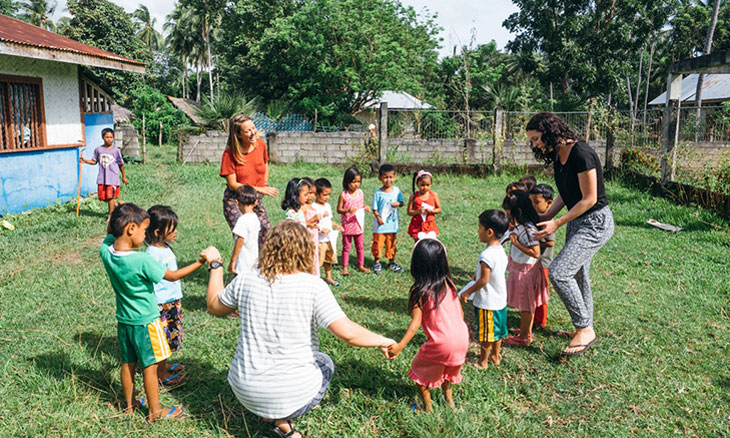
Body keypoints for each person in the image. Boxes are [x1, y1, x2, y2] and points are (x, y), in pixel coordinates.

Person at [200, 221, 396, 438]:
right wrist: (383, 340)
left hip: (244, 391)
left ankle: (275, 418)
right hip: (290, 393)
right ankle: (284, 419)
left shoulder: (246, 278)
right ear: (305, 251)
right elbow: (347, 333)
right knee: (325, 362)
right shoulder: (313, 286)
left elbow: (214, 306)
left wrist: (216, 265)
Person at [526, 112, 614, 357]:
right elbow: (567, 192)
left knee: (559, 272)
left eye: (536, 139)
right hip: (577, 222)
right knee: (577, 274)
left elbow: (589, 198)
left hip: (595, 223)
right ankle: (585, 328)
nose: (535, 145)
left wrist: (558, 223)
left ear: (549, 131)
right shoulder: (558, 156)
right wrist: (547, 217)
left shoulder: (581, 154)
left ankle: (584, 328)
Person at [99, 203, 186, 422]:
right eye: (143, 230)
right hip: (147, 321)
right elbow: (173, 277)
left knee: (127, 364)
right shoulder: (142, 260)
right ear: (130, 229)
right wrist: (203, 262)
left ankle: (129, 406)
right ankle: (155, 412)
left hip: (124, 321)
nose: (145, 235)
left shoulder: (106, 253)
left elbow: (110, 233)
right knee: (150, 365)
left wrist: (116, 214)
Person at [387, 239, 469, 413]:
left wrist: (400, 346)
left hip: (441, 344)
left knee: (419, 372)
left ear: (417, 264)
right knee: (447, 372)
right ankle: (450, 403)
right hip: (462, 339)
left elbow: (415, 323)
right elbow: (460, 314)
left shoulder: (420, 291)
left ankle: (428, 408)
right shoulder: (450, 284)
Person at [145, 205, 207, 386]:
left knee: (169, 337)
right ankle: (161, 374)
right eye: (172, 229)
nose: (175, 232)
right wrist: (200, 262)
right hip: (161, 304)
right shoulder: (152, 254)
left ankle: (164, 366)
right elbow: (173, 275)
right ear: (158, 231)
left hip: (171, 301)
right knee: (162, 340)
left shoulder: (163, 247)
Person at [459, 210, 510, 369]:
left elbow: (484, 280)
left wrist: (467, 291)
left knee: (486, 334)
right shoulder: (500, 249)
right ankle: (495, 356)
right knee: (499, 331)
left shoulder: (486, 255)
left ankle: (483, 361)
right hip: (500, 299)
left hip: (488, 302)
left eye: (480, 227)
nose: (478, 231)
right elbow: (490, 272)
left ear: (489, 232)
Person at [220, 114, 278, 248]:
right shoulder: (230, 154)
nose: (253, 133)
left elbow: (265, 163)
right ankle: (240, 267)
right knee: (245, 235)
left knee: (265, 230)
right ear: (238, 135)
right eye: (248, 131)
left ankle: (262, 266)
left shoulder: (261, 145)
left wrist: (265, 184)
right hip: (236, 200)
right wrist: (260, 189)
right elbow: (233, 184)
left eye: (253, 128)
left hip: (254, 198)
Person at [503, 190, 549, 346]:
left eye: (510, 215)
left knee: (526, 306)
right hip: (522, 268)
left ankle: (523, 338)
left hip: (526, 271)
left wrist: (516, 244)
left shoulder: (528, 229)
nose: (509, 218)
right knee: (526, 304)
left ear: (519, 212)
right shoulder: (522, 226)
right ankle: (526, 330)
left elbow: (535, 252)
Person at [79, 128, 127, 219]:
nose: (109, 139)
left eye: (111, 137)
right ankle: (119, 207)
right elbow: (94, 161)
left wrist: (124, 176)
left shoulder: (116, 150)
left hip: (113, 177)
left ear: (113, 138)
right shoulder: (98, 149)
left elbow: (121, 164)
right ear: (103, 137)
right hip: (103, 177)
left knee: (110, 197)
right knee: (104, 197)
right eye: (107, 137)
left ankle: (111, 215)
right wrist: (85, 161)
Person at [529, 184, 556, 330]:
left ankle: (540, 321)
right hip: (534, 263)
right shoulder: (537, 218)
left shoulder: (548, 221)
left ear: (549, 203)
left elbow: (550, 242)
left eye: (537, 202)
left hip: (543, 263)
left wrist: (534, 240)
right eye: (531, 202)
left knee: (541, 293)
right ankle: (533, 318)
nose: (533, 205)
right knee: (533, 291)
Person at [371, 163, 405, 274]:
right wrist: (378, 217)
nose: (388, 180)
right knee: (378, 243)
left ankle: (391, 262)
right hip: (381, 225)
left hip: (392, 224)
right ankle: (377, 262)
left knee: (391, 243)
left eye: (390, 177)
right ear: (380, 178)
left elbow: (402, 202)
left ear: (394, 177)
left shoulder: (396, 191)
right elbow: (374, 208)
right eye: (385, 177)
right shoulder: (378, 193)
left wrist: (398, 203)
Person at [337, 167, 371, 275]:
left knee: (360, 246)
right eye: (353, 182)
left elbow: (362, 205)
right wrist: (347, 210)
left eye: (358, 182)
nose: (356, 184)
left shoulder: (360, 193)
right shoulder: (343, 195)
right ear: (347, 181)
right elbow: (339, 209)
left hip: (358, 224)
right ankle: (345, 267)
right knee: (346, 246)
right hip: (347, 225)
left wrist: (366, 207)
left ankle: (361, 265)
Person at [282, 177, 320, 275]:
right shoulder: (291, 213)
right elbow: (290, 231)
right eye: (305, 194)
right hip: (296, 247)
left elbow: (301, 225)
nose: (308, 197)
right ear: (295, 195)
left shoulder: (300, 211)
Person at [313, 178, 345, 286]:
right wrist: (321, 228)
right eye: (325, 194)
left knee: (328, 259)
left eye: (329, 195)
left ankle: (329, 277)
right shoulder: (313, 207)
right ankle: (315, 278)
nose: (327, 197)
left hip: (329, 238)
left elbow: (328, 220)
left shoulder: (328, 206)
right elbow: (313, 223)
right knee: (318, 260)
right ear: (316, 194)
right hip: (319, 239)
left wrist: (336, 225)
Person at [229, 185, 261, 274]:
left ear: (237, 202)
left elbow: (240, 240)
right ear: (255, 202)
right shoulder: (255, 218)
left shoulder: (242, 220)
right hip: (254, 261)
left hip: (242, 263)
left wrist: (233, 260)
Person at [407, 170, 442, 241]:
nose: (425, 187)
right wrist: (418, 211)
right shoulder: (414, 196)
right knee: (419, 244)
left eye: (427, 185)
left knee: (430, 243)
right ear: (417, 184)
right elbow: (409, 212)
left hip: (429, 224)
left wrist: (431, 211)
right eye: (422, 185)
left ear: (431, 184)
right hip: (417, 224)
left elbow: (439, 209)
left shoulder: (434, 195)